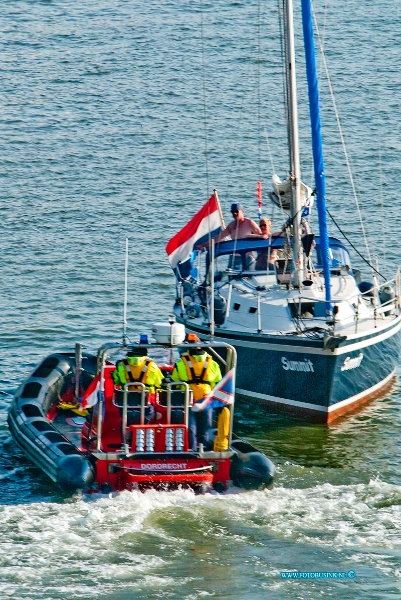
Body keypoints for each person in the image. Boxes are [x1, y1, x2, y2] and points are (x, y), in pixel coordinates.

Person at [171, 341, 222, 450]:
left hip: (187, 400)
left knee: (190, 428)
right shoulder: (213, 364)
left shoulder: (180, 363)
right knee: (205, 429)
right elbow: (218, 384)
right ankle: (202, 450)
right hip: (206, 401)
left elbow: (174, 381)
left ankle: (192, 450)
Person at [112, 347, 164, 424]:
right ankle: (144, 426)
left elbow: (116, 381)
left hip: (126, 399)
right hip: (145, 400)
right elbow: (159, 383)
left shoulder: (120, 365)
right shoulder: (153, 366)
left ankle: (126, 429)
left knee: (124, 413)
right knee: (150, 411)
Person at [197, 203, 266, 250]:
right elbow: (218, 238)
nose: (234, 213)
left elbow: (261, 236)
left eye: (236, 211)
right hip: (234, 256)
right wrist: (203, 245)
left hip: (248, 256)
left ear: (242, 211)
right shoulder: (231, 225)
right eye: (232, 212)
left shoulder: (249, 223)